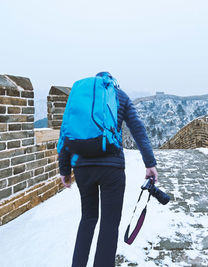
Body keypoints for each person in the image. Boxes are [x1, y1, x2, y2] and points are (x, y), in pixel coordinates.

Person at [58, 72, 158, 267]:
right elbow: (138, 129)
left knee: (87, 218)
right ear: (113, 84)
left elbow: (65, 132)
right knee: (109, 225)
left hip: (82, 168)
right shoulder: (120, 96)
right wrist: (150, 164)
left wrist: (64, 170)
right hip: (112, 169)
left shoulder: (79, 98)